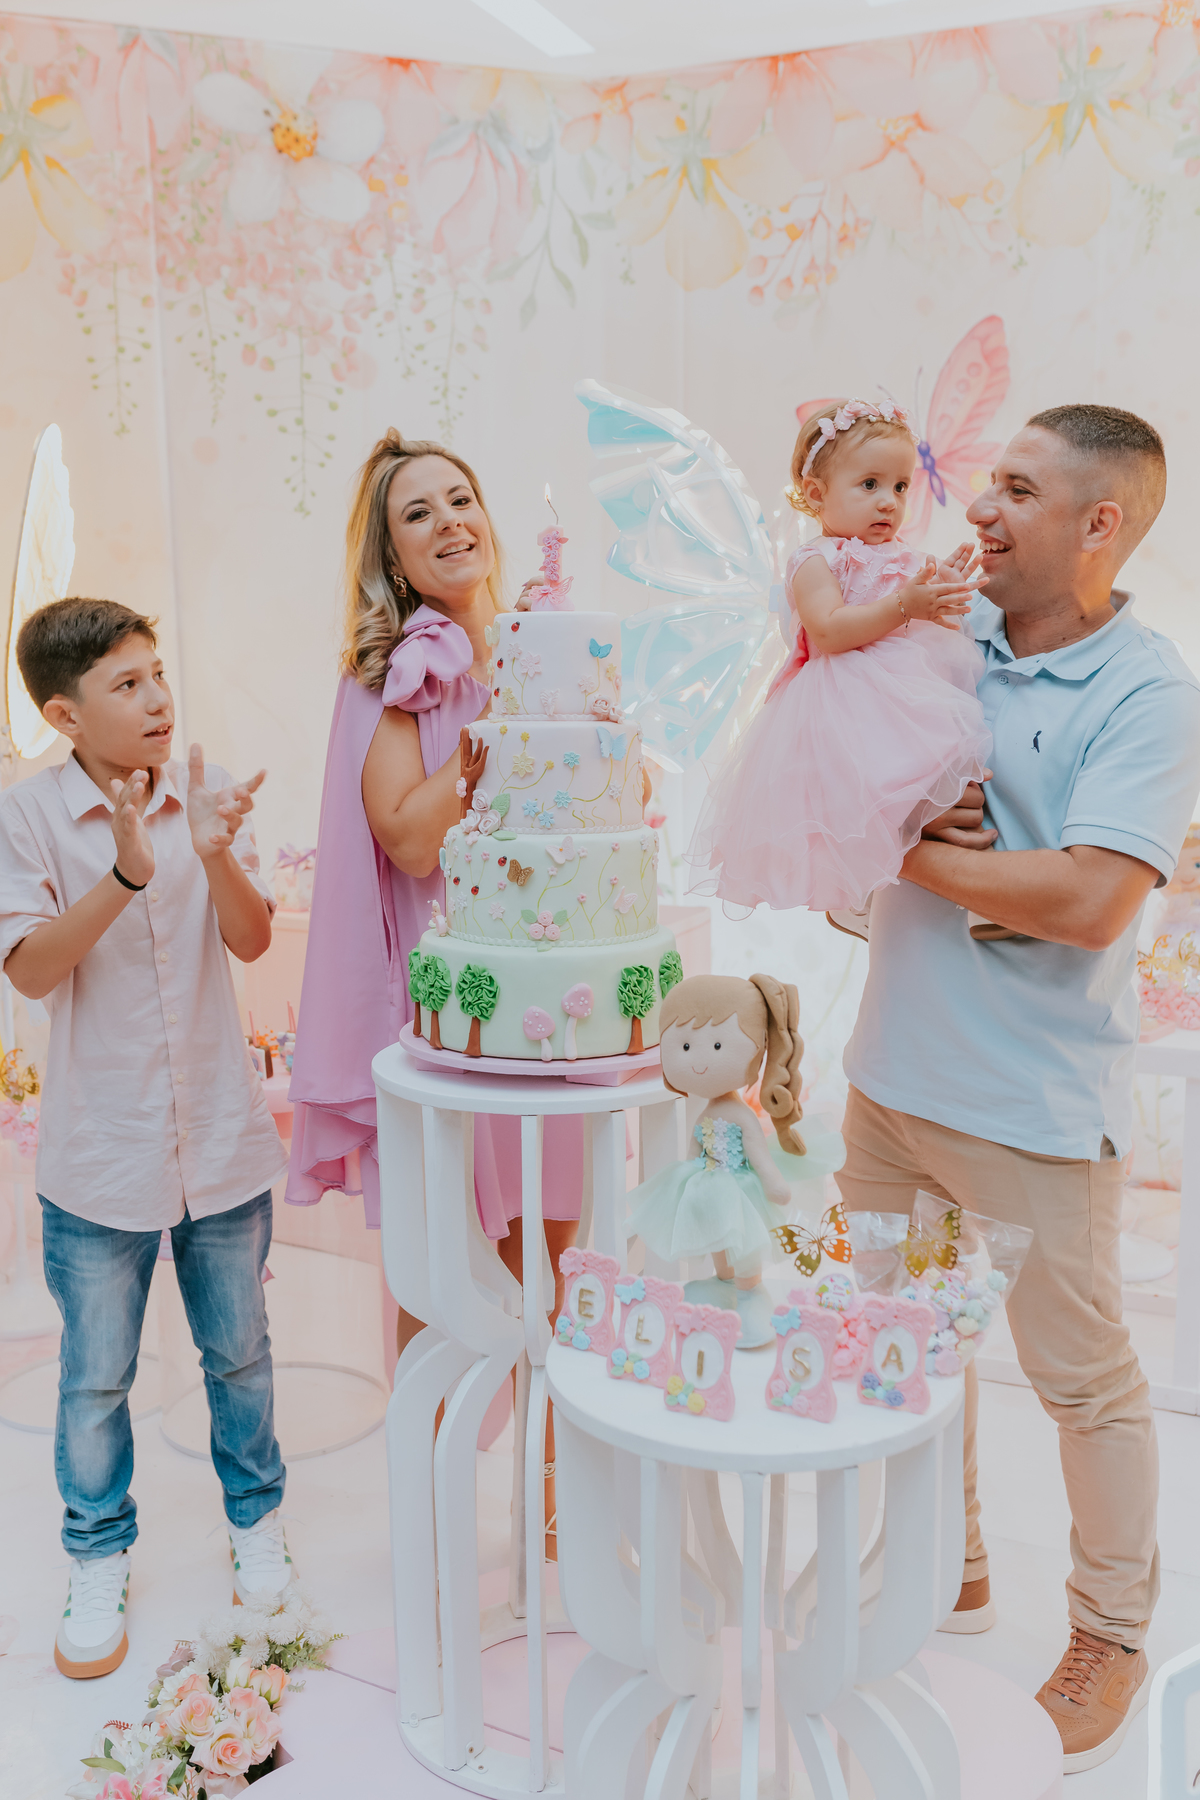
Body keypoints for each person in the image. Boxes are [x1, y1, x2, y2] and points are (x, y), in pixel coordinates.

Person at [835, 404, 1200, 1773]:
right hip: (890, 1087)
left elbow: (1096, 899)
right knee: (900, 1353)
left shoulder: (1150, 693)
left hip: (1039, 1112)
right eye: (989, 482)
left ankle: (1110, 1632)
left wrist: (920, 858)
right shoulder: (944, 632)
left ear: (1100, 526)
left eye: (1021, 493)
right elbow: (834, 752)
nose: (980, 510)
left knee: (1085, 1388)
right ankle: (951, 1565)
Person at [287, 430, 584, 1551]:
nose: (450, 520)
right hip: (453, 1018)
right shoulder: (390, 680)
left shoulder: (545, 647)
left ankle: (553, 1512)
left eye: (462, 498)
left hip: (550, 1003)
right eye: (419, 512)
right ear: (393, 555)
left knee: (555, 1264)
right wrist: (486, 744)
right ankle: (437, 1513)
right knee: (438, 1270)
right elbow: (410, 843)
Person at [0, 599, 291, 1680]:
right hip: (100, 1153)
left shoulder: (199, 796)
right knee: (95, 1379)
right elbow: (29, 971)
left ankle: (257, 1532)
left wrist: (209, 851)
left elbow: (251, 939)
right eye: (128, 685)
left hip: (218, 1134)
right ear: (65, 713)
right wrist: (122, 873)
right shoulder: (25, 819)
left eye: (159, 673)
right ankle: (95, 1554)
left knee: (242, 1354)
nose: (159, 698)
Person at [688, 398, 990, 932]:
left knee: (942, 774)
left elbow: (922, 622)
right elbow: (827, 631)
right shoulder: (817, 561)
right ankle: (861, 892)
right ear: (815, 494)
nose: (889, 503)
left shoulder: (904, 556)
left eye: (900, 487)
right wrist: (906, 605)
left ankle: (965, 888)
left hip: (904, 690)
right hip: (844, 697)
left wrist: (939, 598)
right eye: (869, 485)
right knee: (862, 796)